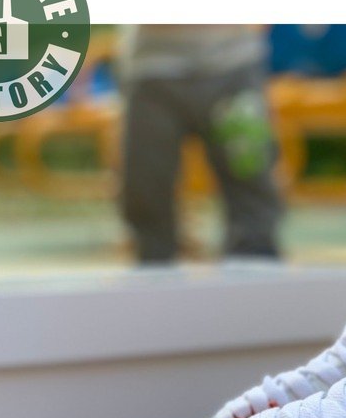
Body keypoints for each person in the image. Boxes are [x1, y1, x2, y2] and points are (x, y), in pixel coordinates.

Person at [119, 25, 284, 263]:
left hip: (235, 65)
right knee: (146, 183)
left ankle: (257, 265)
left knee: (250, 177)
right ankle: (153, 265)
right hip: (152, 71)